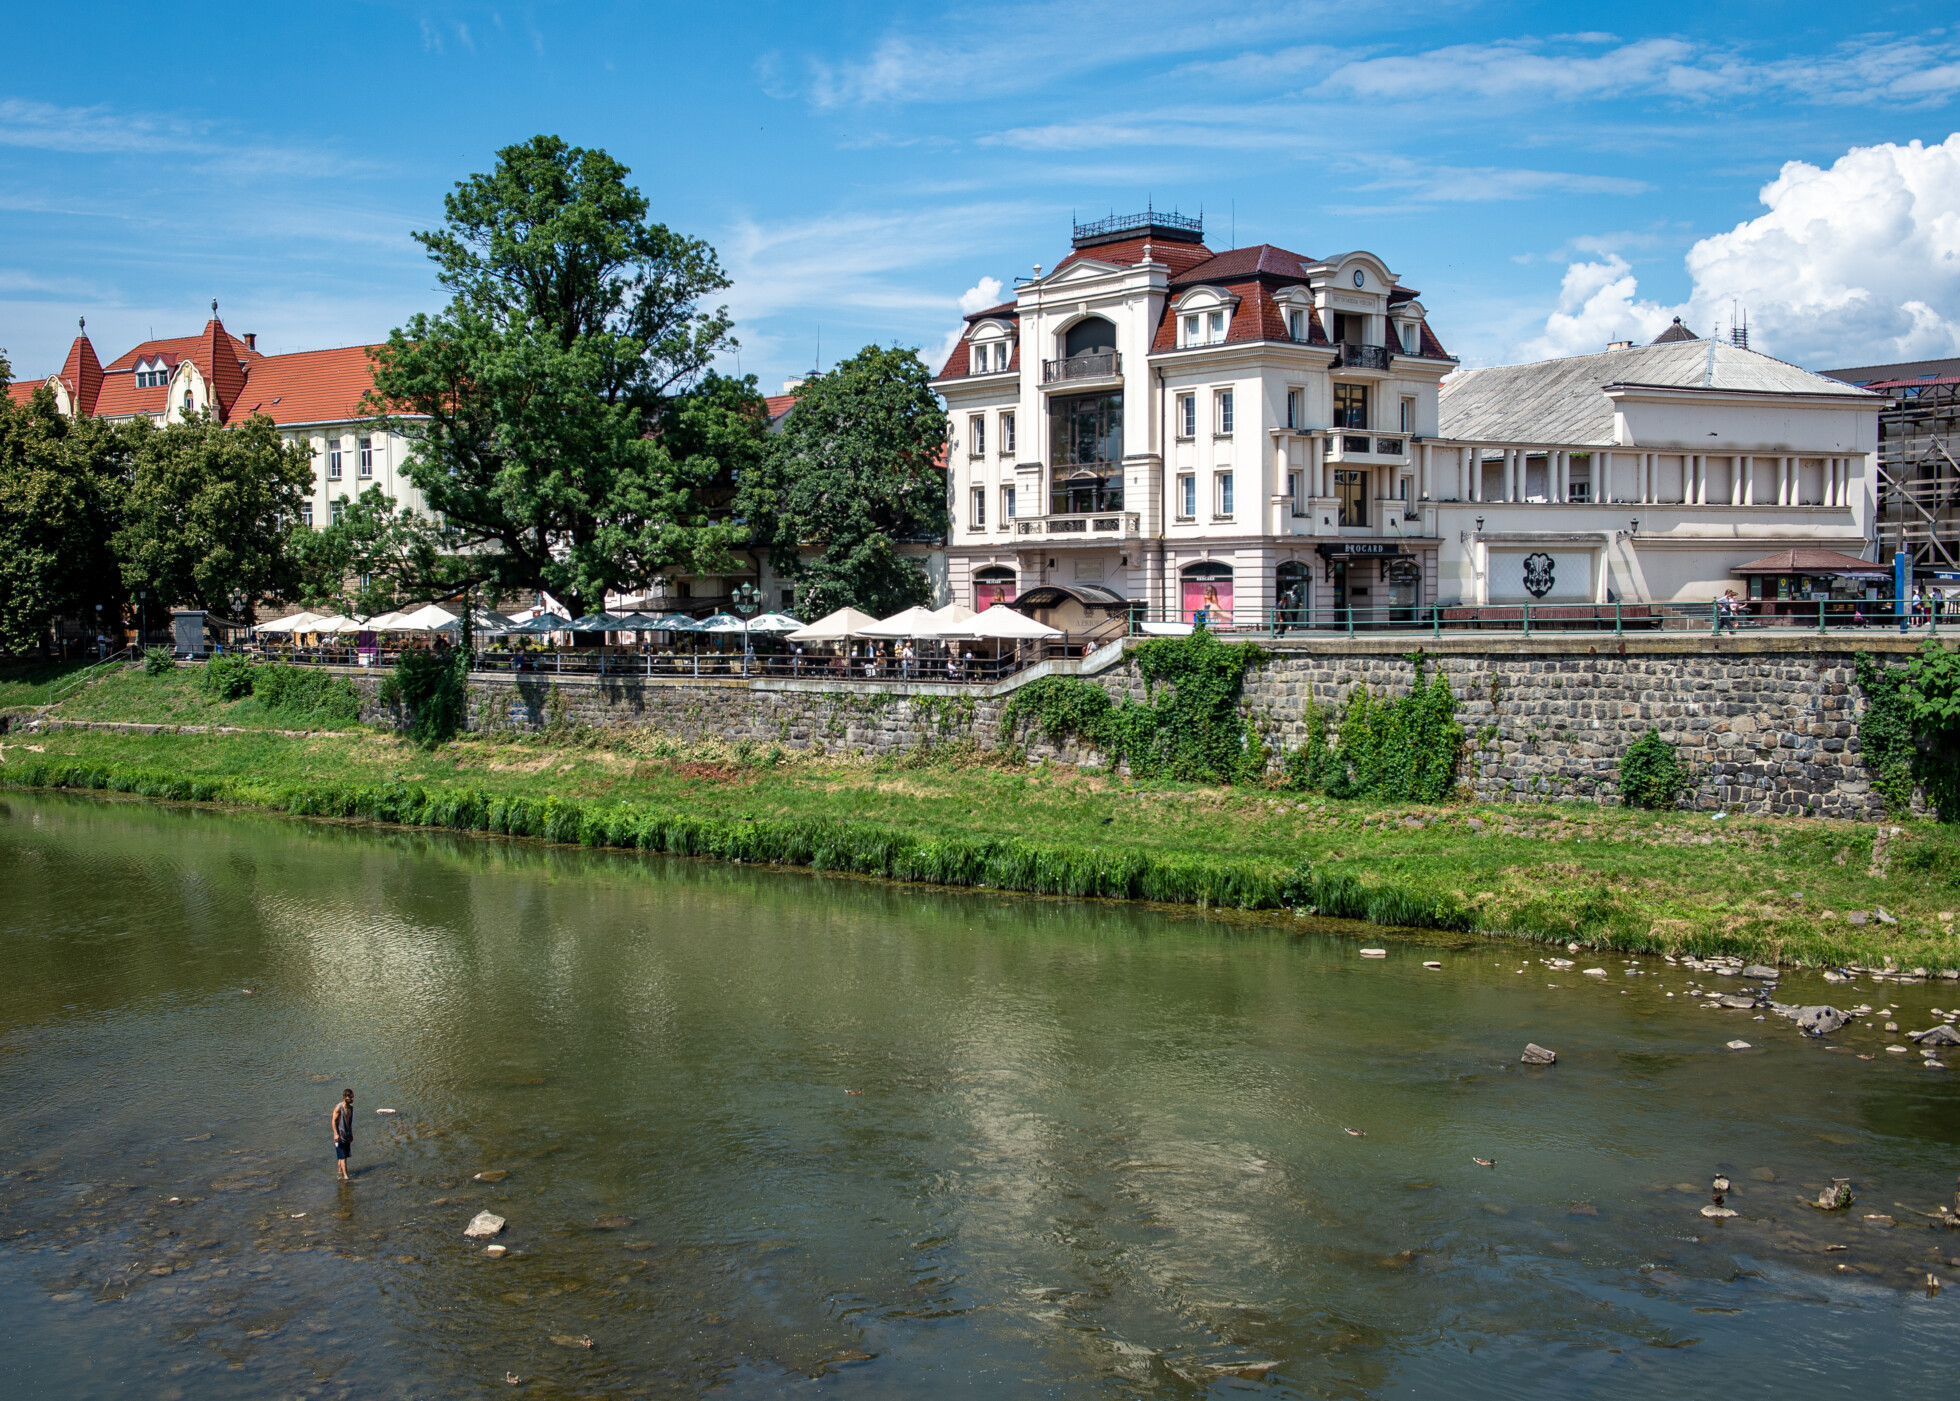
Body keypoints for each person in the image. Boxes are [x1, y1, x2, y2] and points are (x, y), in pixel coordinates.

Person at [331, 1088, 354, 1180]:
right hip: (339, 1135)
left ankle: (340, 1172)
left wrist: (351, 1133)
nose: (352, 1099)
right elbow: (333, 1121)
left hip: (346, 1134)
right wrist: (335, 1134)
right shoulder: (338, 1108)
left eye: (352, 1097)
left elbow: (349, 1122)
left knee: (344, 1156)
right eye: (350, 1097)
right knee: (342, 1156)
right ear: (344, 1097)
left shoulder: (351, 1108)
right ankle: (345, 1177)